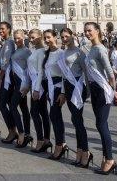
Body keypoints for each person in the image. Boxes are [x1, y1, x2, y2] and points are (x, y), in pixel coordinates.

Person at [84, 22, 117, 175]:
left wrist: (113, 91)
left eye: (89, 30)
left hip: (102, 90)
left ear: (97, 31)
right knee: (99, 125)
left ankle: (109, 159)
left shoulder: (100, 49)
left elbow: (110, 72)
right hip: (96, 90)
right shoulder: (92, 48)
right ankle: (106, 158)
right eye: (85, 31)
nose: (87, 33)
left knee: (101, 124)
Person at [58, 27, 89, 167]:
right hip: (69, 87)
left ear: (72, 36)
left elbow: (86, 73)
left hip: (77, 88)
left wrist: (87, 92)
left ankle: (85, 152)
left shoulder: (80, 52)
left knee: (78, 120)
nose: (64, 39)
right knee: (75, 120)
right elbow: (64, 76)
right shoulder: (64, 53)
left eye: (66, 36)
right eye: (62, 37)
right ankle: (79, 150)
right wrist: (63, 92)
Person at [43, 29, 68, 160]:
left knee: (55, 115)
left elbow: (65, 74)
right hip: (50, 87)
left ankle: (60, 145)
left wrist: (63, 92)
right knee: (54, 116)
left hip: (58, 88)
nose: (47, 40)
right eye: (45, 38)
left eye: (49, 37)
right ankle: (61, 143)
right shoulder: (47, 53)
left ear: (55, 37)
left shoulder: (61, 53)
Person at [27, 29, 51, 153]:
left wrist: (36, 89)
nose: (31, 40)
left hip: (39, 85)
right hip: (36, 84)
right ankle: (46, 140)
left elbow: (41, 71)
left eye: (33, 38)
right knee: (43, 112)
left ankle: (41, 140)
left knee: (35, 112)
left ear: (40, 37)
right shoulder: (36, 50)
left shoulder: (42, 51)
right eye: (30, 38)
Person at [9, 29, 32, 148]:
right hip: (16, 82)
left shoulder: (27, 51)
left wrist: (27, 85)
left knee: (13, 106)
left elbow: (29, 69)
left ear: (24, 38)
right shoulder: (16, 50)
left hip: (22, 83)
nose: (17, 40)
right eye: (15, 38)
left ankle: (22, 133)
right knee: (23, 107)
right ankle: (27, 133)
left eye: (19, 38)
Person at [0, 22, 17, 143]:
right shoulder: (5, 42)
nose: (0, 31)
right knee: (7, 104)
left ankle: (12, 131)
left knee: (1, 103)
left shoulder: (9, 43)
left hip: (7, 77)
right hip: (7, 76)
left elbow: (6, 61)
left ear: (8, 29)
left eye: (3, 29)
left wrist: (1, 76)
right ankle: (13, 130)